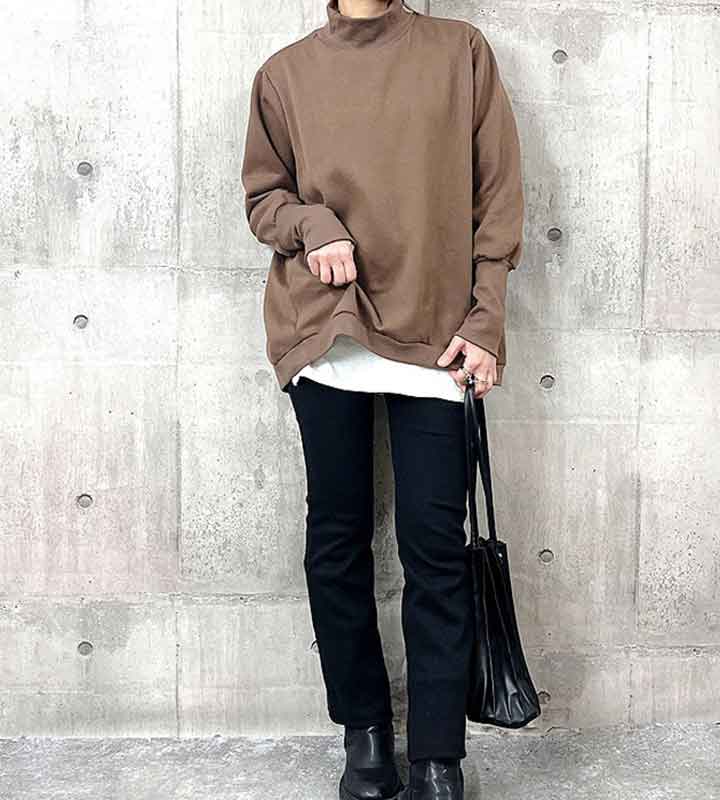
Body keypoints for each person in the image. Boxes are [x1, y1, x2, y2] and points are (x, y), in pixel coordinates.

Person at [240, 1, 524, 797]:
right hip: (326, 332)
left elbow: (498, 197)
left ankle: (437, 754)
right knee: (336, 539)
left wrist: (487, 321)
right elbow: (264, 198)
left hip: (437, 334)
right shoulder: (285, 74)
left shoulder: (460, 52)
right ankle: (363, 732)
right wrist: (314, 223)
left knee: (435, 547)